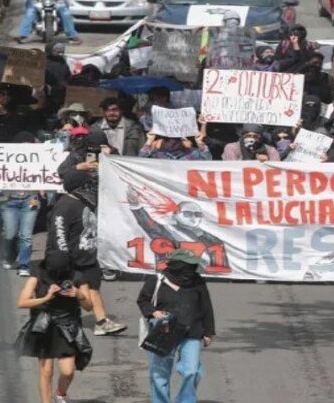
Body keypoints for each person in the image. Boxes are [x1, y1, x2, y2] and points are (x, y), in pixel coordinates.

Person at [47, 171, 128, 336]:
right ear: (78, 187)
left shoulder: (86, 202)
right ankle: (53, 323)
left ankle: (101, 322)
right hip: (72, 259)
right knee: (77, 294)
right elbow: (59, 234)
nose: (91, 187)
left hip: (89, 256)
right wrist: (64, 260)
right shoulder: (64, 206)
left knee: (93, 289)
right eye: (87, 184)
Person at [136, 249, 216, 403]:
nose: (193, 269)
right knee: (159, 374)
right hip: (163, 331)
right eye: (190, 265)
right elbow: (143, 300)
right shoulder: (157, 281)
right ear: (179, 265)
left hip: (191, 332)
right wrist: (153, 312)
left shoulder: (198, 281)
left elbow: (206, 306)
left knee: (192, 372)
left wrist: (208, 332)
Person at [16, 253, 93, 403]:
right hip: (44, 324)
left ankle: (60, 394)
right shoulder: (37, 274)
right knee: (46, 370)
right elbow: (22, 302)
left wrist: (79, 295)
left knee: (68, 371)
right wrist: (46, 297)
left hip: (67, 325)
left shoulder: (78, 276)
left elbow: (89, 307)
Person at [0, 132, 43, 276]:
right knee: (9, 234)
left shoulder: (37, 160)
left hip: (30, 200)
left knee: (26, 235)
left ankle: (24, 265)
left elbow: (45, 176)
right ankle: (8, 256)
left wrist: (43, 187)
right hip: (9, 200)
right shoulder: (6, 160)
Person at [15, 0, 82, 45]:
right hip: (36, 0)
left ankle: (72, 36)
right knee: (29, 14)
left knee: (66, 14)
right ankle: (23, 35)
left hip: (56, 0)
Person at [139, 132, 212, 161]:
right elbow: (140, 160)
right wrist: (149, 140)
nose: (172, 142)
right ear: (162, 141)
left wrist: (199, 142)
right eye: (167, 139)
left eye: (176, 139)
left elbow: (207, 161)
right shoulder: (156, 155)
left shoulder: (192, 153)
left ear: (182, 141)